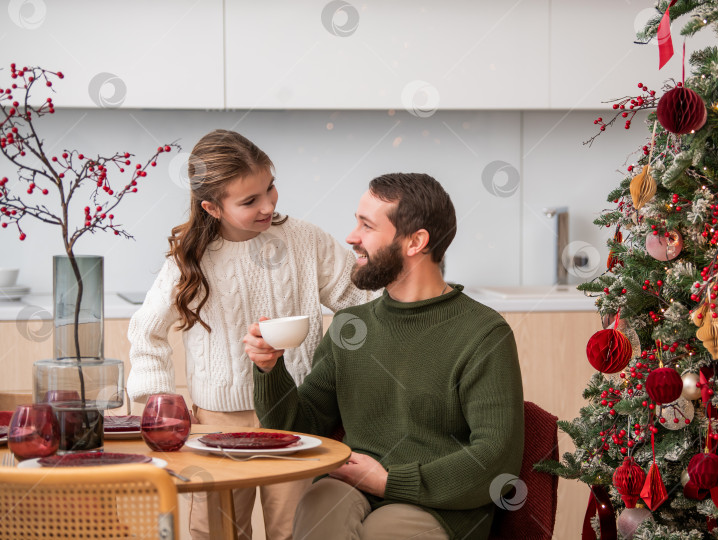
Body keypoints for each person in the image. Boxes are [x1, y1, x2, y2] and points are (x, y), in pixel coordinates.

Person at [244, 172, 524, 540]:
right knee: (318, 505)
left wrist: (390, 481)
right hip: (350, 486)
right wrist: (269, 368)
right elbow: (299, 429)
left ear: (416, 242)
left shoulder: (483, 333)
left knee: (384, 531)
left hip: (440, 507)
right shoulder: (350, 327)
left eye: (366, 225)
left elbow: (494, 457)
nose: (351, 237)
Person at [126, 129, 374, 540]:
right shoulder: (190, 258)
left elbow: (360, 301)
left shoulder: (304, 239)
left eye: (270, 188)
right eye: (249, 201)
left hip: (295, 416)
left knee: (294, 529)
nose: (268, 205)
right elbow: (145, 333)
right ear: (212, 207)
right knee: (216, 532)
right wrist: (161, 399)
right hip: (217, 424)